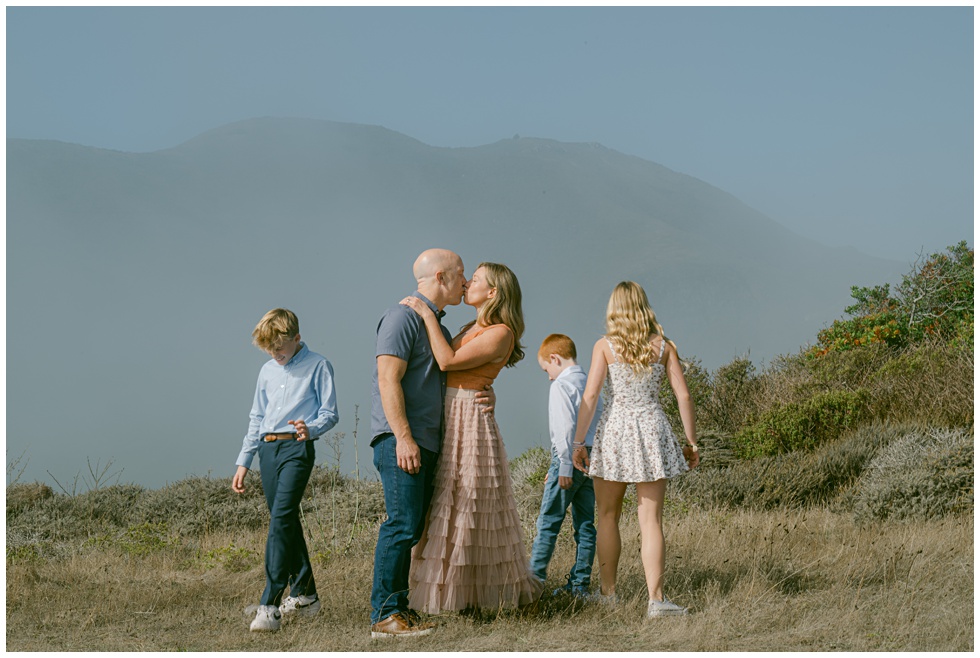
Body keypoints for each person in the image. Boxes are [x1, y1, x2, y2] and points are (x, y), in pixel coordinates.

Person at [401, 262, 543, 614]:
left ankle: (472, 597)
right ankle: (458, 593)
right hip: (451, 413)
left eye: (476, 280)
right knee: (446, 499)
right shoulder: (471, 326)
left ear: (492, 293)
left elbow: (447, 361)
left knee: (468, 501)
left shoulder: (501, 332)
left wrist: (425, 311)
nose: (467, 283)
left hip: (468, 419)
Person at [572, 281, 699, 619]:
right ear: (644, 306)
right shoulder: (664, 347)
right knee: (651, 520)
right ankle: (656, 600)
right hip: (653, 428)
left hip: (615, 430)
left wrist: (577, 442)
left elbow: (591, 395)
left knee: (607, 516)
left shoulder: (605, 346)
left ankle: (608, 594)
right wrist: (691, 441)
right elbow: (683, 396)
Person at [369, 248, 466, 639]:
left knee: (412, 526)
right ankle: (384, 616)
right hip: (402, 440)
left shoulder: (435, 327)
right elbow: (387, 378)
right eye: (462, 273)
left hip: (424, 441)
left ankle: (400, 611)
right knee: (402, 525)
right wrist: (403, 438)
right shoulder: (401, 317)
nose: (467, 280)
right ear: (441, 276)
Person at [232, 308, 339, 632]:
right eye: (268, 349)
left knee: (280, 519)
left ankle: (270, 604)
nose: (275, 354)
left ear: (296, 338)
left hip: (296, 447)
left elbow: (330, 413)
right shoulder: (266, 370)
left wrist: (312, 428)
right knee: (285, 521)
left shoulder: (318, 365)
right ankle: (306, 595)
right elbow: (256, 417)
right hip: (266, 449)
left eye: (279, 347)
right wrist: (243, 461)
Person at [528, 334, 600, 597]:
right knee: (585, 525)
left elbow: (565, 428)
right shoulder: (591, 383)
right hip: (593, 459)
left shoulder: (561, 386)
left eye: (546, 369)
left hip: (569, 458)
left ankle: (532, 585)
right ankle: (580, 586)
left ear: (554, 358)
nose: (548, 376)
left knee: (548, 522)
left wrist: (564, 468)